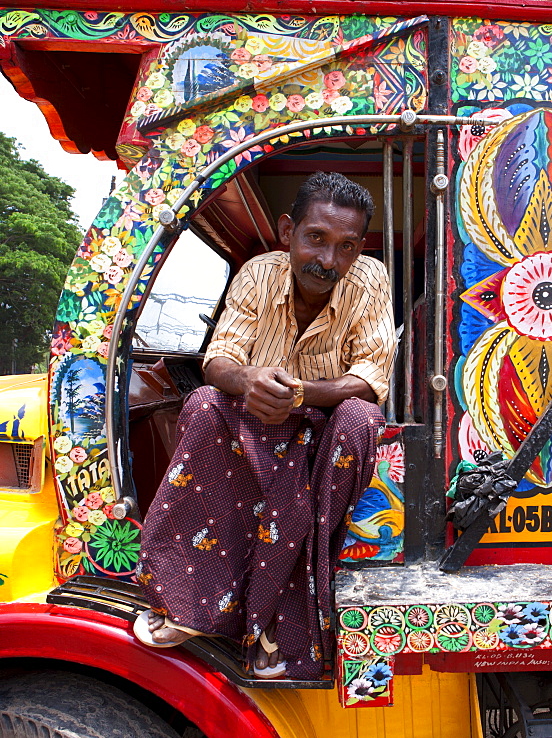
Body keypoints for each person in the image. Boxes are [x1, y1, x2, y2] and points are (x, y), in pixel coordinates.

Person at [134, 172, 396, 680]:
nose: (328, 261)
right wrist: (249, 378)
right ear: (286, 231)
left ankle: (283, 626)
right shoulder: (257, 274)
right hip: (257, 422)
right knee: (207, 403)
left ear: (359, 248)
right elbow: (219, 361)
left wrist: (299, 394)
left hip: (325, 431)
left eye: (345, 247)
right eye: (316, 238)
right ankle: (194, 607)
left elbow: (370, 377)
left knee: (361, 419)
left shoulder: (371, 280)